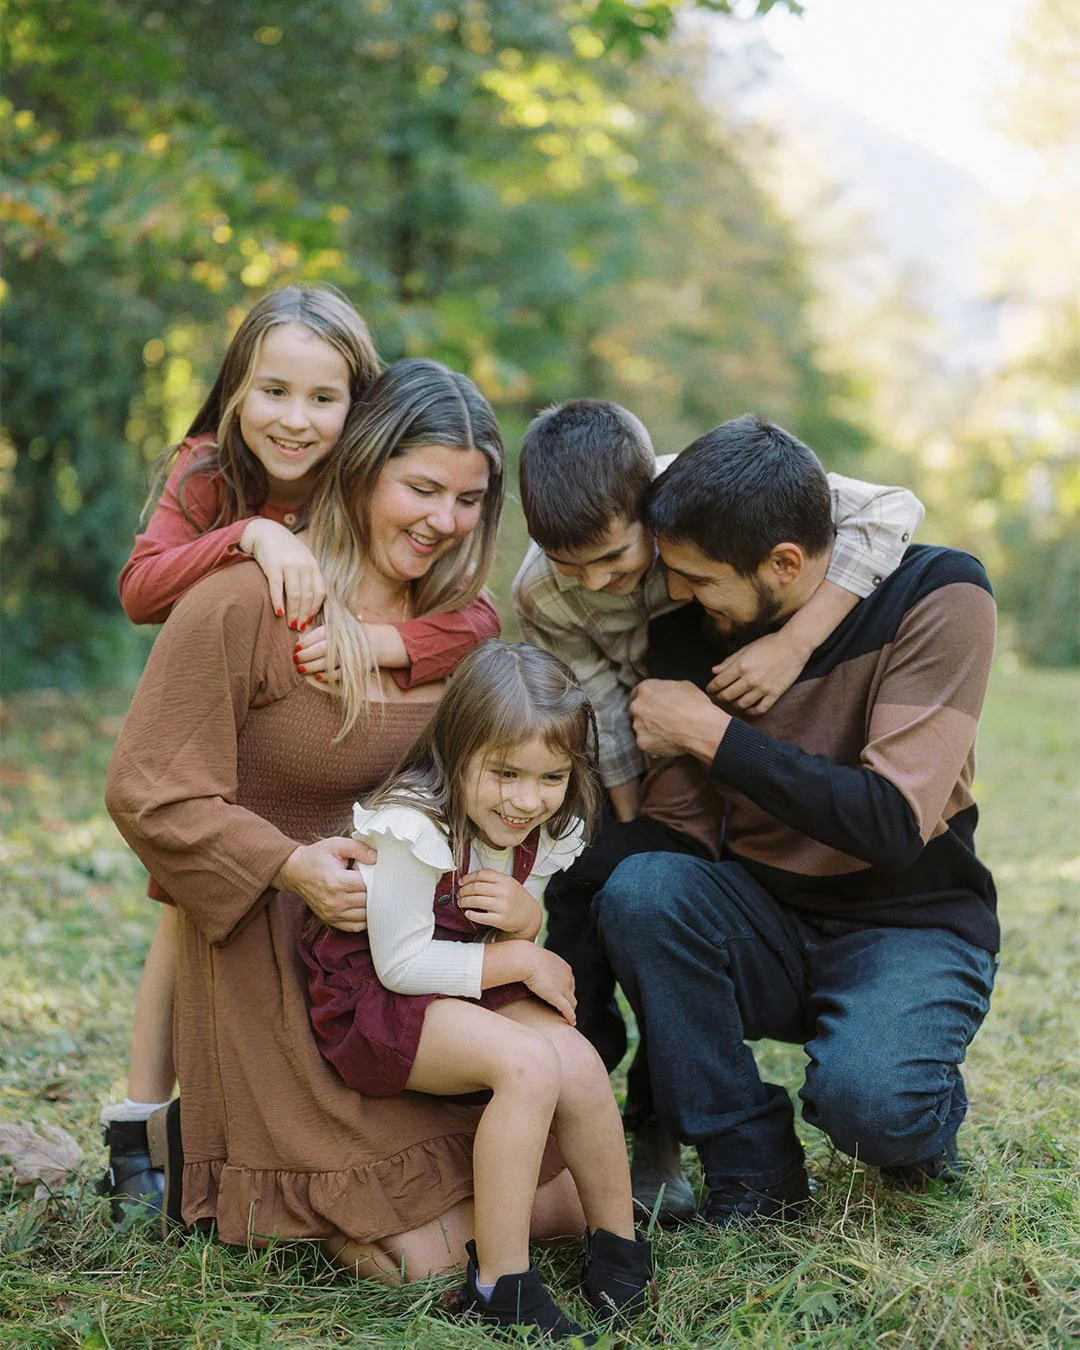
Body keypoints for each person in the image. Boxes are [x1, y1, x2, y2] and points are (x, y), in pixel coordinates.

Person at [106, 359, 591, 1280]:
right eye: (420, 487)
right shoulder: (245, 600)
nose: (441, 519)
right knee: (419, 1258)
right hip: (270, 949)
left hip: (412, 951)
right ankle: (192, 1134)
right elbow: (148, 791)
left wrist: (523, 905)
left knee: (562, 1202)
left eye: (466, 498)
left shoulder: (455, 626)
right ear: (364, 469)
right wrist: (289, 866)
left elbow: (501, 791)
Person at [511, 399, 926, 1221]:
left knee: (666, 898)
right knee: (589, 890)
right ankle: (574, 1088)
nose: (596, 581)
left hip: (733, 732)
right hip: (646, 756)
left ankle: (656, 1114)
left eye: (615, 555)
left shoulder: (709, 499)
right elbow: (598, 702)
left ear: (651, 504)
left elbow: (892, 509)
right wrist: (626, 825)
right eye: (572, 565)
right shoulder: (544, 592)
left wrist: (794, 641)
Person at [593, 415, 997, 1225]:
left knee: (873, 1107)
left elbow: (889, 823)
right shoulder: (687, 630)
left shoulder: (941, 595)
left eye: (700, 578)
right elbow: (683, 837)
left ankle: (916, 1107)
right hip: (764, 916)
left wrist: (714, 737)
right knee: (642, 890)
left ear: (784, 563)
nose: (676, 593)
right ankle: (752, 1164)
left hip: (908, 922)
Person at [302, 641, 653, 1340]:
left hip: (468, 977)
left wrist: (529, 920)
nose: (527, 800)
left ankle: (616, 1245)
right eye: (505, 773)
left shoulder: (545, 822)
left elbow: (511, 916)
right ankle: (501, 1284)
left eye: (552, 776)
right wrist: (522, 959)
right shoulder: (413, 826)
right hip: (381, 999)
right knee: (526, 1065)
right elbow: (399, 964)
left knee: (578, 1061)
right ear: (459, 751)